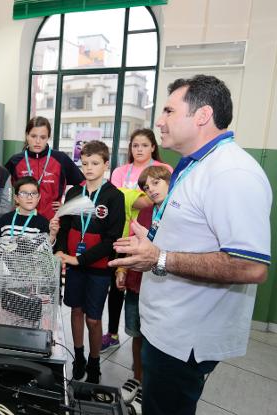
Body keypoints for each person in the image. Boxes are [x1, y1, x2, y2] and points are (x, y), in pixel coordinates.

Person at [109, 75, 271, 415]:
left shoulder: (232, 173)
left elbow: (251, 266)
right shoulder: (192, 166)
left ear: (202, 115)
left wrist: (160, 257)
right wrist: (149, 244)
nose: (160, 121)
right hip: (165, 326)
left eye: (169, 110)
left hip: (186, 339)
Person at [54, 140, 124, 384]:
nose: (89, 168)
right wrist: (61, 250)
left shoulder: (114, 196)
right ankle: (79, 356)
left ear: (106, 164)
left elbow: (111, 239)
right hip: (74, 265)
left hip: (97, 267)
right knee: (75, 310)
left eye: (95, 163)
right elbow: (64, 227)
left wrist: (79, 258)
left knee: (93, 318)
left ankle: (95, 362)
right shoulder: (74, 192)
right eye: (84, 163)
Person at [102, 129, 173, 352]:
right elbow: (115, 200)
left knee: (147, 290)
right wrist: (133, 200)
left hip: (152, 238)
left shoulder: (165, 170)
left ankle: (152, 340)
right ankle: (113, 333)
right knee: (118, 286)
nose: (139, 149)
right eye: (135, 145)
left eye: (144, 145)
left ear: (153, 146)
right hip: (121, 236)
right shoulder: (121, 170)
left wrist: (130, 198)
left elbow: (147, 204)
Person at [115, 165, 172, 412]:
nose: (152, 189)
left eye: (157, 183)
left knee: (154, 341)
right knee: (137, 335)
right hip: (138, 284)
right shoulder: (146, 213)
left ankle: (149, 386)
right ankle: (137, 378)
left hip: (164, 287)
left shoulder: (177, 214)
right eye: (147, 187)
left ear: (170, 183)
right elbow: (133, 244)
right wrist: (123, 270)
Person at [5, 116, 84, 220]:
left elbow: (83, 184)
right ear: (27, 135)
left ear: (48, 137)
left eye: (42, 137)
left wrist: (67, 206)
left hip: (52, 222)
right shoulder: (15, 161)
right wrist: (12, 203)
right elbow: (4, 189)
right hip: (22, 221)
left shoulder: (60, 159)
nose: (37, 141)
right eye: (33, 136)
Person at [0, 176, 59, 244]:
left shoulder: (43, 223)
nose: (29, 197)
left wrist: (52, 235)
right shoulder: (5, 219)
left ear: (39, 197)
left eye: (33, 193)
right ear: (16, 198)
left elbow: (45, 250)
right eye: (24, 193)